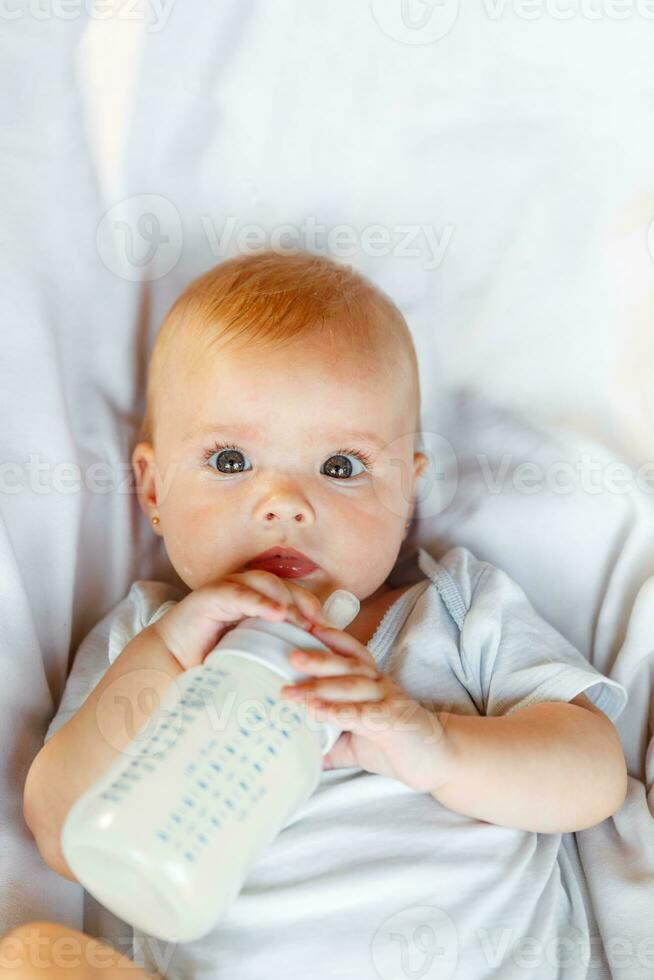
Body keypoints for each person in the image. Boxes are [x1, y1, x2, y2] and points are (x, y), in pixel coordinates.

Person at [19, 250, 628, 979]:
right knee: (31, 958)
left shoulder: (454, 609)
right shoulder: (147, 640)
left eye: (340, 467)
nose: (284, 502)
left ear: (406, 494)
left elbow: (596, 777)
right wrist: (166, 656)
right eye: (230, 460)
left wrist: (437, 747)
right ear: (152, 491)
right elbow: (58, 832)